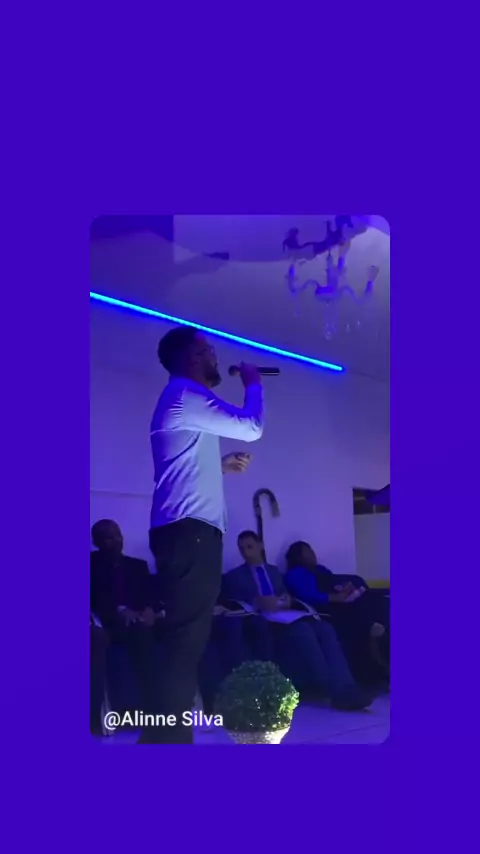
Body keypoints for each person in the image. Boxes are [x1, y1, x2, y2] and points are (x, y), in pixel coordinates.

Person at [143, 326, 265, 744]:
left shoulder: (182, 400)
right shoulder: (187, 395)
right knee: (184, 643)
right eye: (209, 350)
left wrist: (220, 466)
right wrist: (253, 383)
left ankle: (159, 739)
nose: (215, 357)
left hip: (185, 532)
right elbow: (251, 426)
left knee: (184, 640)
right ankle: (165, 743)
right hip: (190, 533)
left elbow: (182, 466)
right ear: (193, 358)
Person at [222, 531, 373, 710]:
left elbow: (285, 593)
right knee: (303, 631)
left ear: (260, 546)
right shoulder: (236, 576)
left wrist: (287, 600)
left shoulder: (274, 572)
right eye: (242, 549)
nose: (246, 553)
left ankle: (348, 687)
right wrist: (257, 602)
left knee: (324, 628)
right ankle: (336, 692)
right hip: (262, 619)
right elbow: (233, 602)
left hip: (284, 614)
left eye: (250, 547)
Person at [285, 541, 390, 683]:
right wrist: (336, 597)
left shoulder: (320, 569)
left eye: (311, 550)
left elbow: (332, 582)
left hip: (343, 600)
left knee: (379, 600)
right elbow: (308, 595)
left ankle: (380, 629)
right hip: (328, 608)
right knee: (365, 608)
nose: (312, 553)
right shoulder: (295, 574)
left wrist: (344, 588)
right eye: (307, 551)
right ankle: (375, 628)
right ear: (298, 556)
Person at [90, 520, 164, 721]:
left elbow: (151, 594)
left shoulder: (138, 566)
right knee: (140, 635)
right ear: (96, 542)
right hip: (109, 623)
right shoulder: (91, 565)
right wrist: (120, 610)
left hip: (140, 619)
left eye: (118, 535)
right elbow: (94, 597)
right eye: (109, 537)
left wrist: (150, 609)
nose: (117, 540)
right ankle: (143, 709)